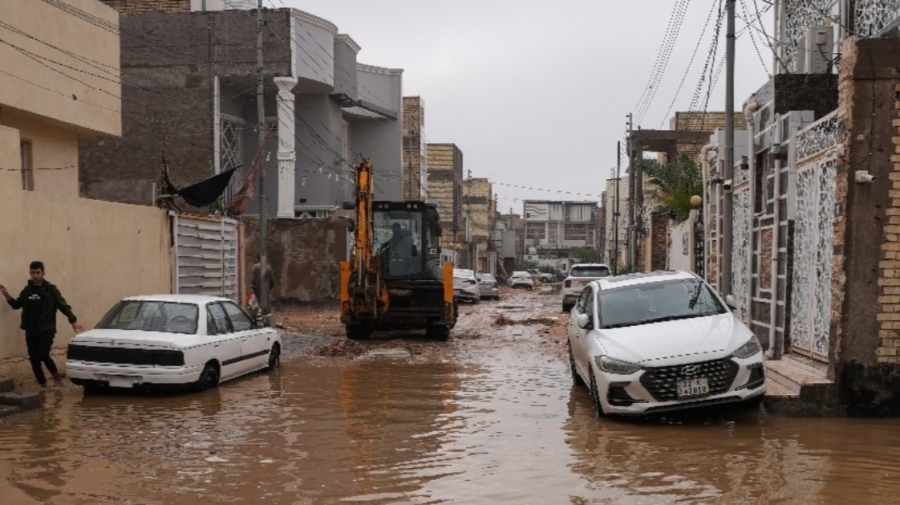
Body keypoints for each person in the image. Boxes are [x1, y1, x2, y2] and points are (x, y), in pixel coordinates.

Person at [0, 261, 83, 387]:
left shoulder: (50, 289)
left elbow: (63, 306)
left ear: (43, 273)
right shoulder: (27, 290)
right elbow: (17, 305)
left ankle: (56, 377)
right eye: (32, 273)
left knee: (42, 354)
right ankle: (43, 385)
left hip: (46, 328)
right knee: (33, 359)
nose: (35, 275)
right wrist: (7, 295)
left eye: (37, 272)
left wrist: (73, 321)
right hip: (31, 329)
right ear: (30, 273)